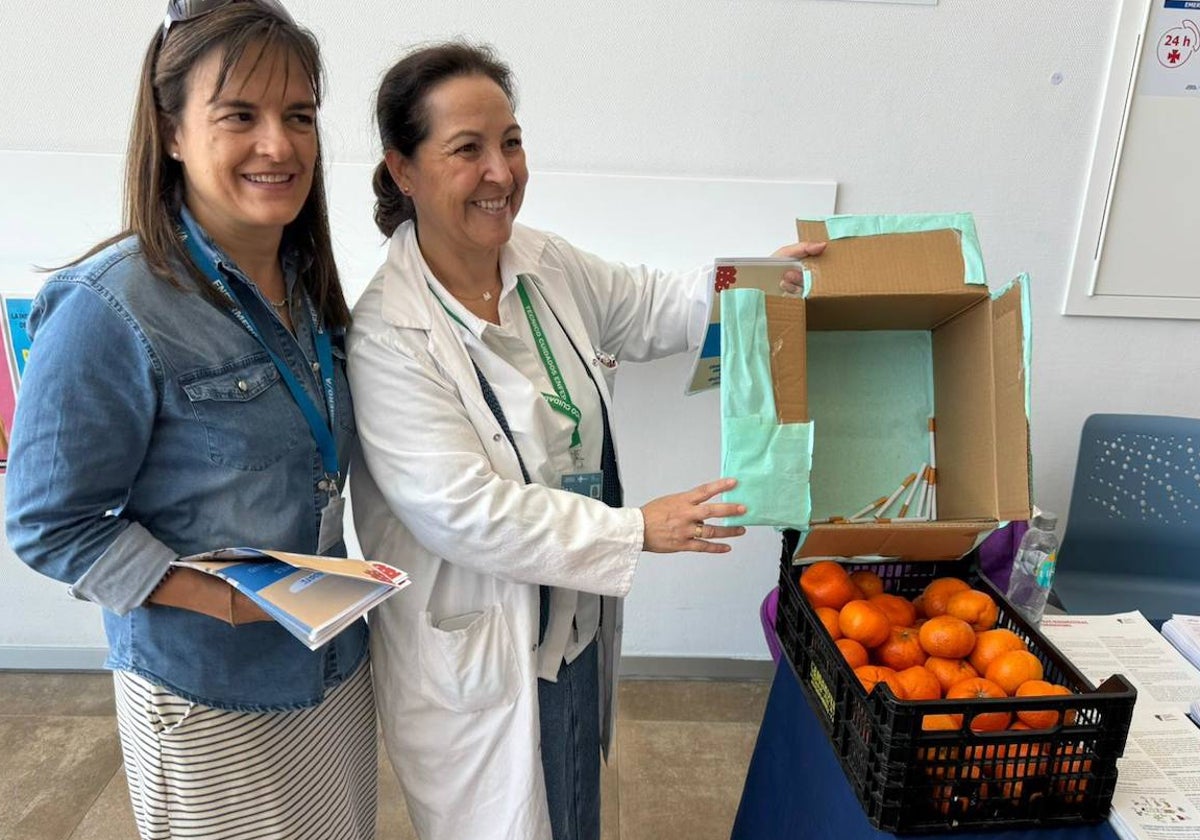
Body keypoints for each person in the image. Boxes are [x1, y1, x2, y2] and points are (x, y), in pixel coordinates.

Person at [347, 42, 825, 840]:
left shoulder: (544, 263)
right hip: (483, 644)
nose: (502, 172)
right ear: (403, 170)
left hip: (568, 623)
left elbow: (648, 306)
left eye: (512, 141)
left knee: (570, 809)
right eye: (467, 149)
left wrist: (749, 282)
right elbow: (461, 512)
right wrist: (638, 529)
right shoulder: (390, 333)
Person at [4, 2, 376, 838]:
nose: (278, 145)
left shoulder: (308, 283)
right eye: (239, 115)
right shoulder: (110, 306)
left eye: (299, 117)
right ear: (173, 131)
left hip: (332, 664)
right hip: (205, 689)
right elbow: (45, 524)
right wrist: (207, 595)